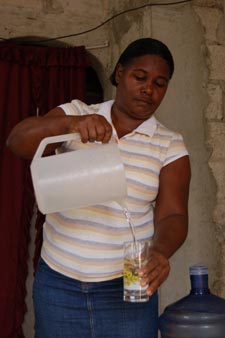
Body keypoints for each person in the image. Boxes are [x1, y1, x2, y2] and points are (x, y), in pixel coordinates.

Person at [7, 38, 191, 338]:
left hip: (128, 285)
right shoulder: (77, 112)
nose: (149, 89)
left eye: (160, 83)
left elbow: (173, 215)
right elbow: (17, 141)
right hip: (59, 283)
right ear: (119, 73)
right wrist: (72, 125)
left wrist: (160, 252)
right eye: (139, 77)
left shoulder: (169, 144)